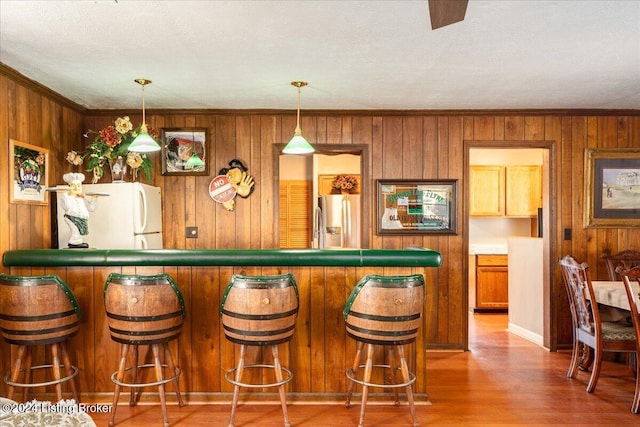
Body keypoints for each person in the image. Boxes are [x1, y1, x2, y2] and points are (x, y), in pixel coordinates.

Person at [60, 172, 98, 248]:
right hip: (72, 217)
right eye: (74, 186)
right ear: (70, 187)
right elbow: (66, 206)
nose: (77, 188)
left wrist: (94, 198)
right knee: (76, 231)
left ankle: (78, 242)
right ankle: (74, 242)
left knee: (80, 232)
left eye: (78, 186)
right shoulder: (68, 198)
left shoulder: (82, 198)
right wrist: (64, 194)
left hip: (82, 218)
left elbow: (91, 208)